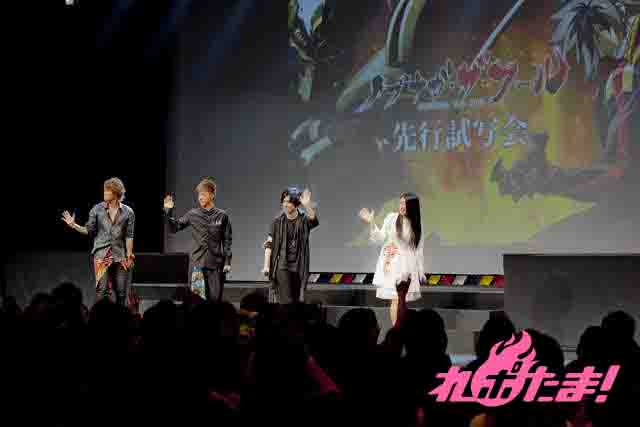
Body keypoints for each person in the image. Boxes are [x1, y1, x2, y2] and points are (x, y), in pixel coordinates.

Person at [61, 177, 135, 306]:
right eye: (104, 190)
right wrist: (74, 225)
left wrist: (129, 255)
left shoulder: (128, 212)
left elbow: (129, 235)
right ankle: (99, 316)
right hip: (101, 255)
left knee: (121, 291)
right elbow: (88, 230)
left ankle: (120, 316)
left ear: (115, 193)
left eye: (107, 191)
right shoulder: (97, 209)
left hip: (120, 255)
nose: (104, 193)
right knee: (102, 290)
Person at [359, 192, 424, 324]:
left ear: (412, 206)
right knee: (396, 299)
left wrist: (421, 271)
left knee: (402, 300)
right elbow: (380, 238)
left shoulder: (416, 223)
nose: (402, 206)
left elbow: (419, 249)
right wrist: (371, 222)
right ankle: (396, 329)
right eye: (401, 203)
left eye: (405, 203)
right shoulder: (391, 218)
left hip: (407, 265)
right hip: (393, 263)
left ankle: (399, 328)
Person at [163, 177, 232, 302]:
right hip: (197, 265)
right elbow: (174, 228)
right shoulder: (193, 214)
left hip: (215, 265)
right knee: (196, 301)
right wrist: (168, 212)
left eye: (203, 194)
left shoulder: (222, 216)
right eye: (199, 195)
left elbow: (227, 240)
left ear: (212, 195)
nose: (200, 197)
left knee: (215, 301)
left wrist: (227, 262)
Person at [262, 188, 319, 304]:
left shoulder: (303, 220)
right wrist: (266, 266)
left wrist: (307, 205)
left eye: (288, 201)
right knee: (286, 300)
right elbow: (269, 244)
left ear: (296, 203)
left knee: (297, 300)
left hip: (299, 265)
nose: (285, 204)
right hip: (282, 265)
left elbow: (314, 221)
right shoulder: (277, 221)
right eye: (283, 201)